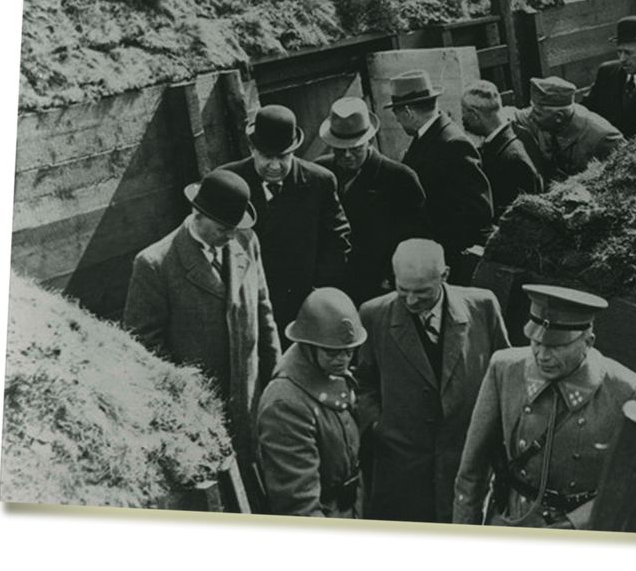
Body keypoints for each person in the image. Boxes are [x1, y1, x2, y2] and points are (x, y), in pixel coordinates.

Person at [453, 285, 636, 530]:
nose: (541, 355)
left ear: (588, 342)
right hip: (513, 522)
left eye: (555, 346)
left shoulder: (627, 390)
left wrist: (575, 524)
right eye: (535, 342)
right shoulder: (504, 368)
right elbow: (472, 471)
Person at [123, 169, 281, 494]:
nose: (230, 236)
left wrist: (276, 383)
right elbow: (144, 351)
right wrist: (188, 409)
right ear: (198, 215)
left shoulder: (246, 242)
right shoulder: (155, 265)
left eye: (235, 228)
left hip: (251, 406)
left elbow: (264, 315)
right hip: (200, 419)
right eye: (224, 228)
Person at [356, 238, 510, 523]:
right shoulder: (373, 314)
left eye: (423, 293)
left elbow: (505, 378)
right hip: (399, 468)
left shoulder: (484, 307)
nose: (412, 301)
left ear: (445, 276)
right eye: (403, 291)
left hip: (463, 464)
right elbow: (361, 382)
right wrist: (379, 425)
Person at [219, 104, 352, 362]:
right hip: (249, 305)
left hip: (303, 303)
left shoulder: (319, 182)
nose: (275, 165)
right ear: (252, 149)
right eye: (267, 156)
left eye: (283, 156)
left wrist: (318, 294)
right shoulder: (228, 182)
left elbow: (338, 242)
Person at [256, 287, 367, 518]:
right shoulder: (286, 404)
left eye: (349, 351)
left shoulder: (332, 373)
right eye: (332, 352)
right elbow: (298, 504)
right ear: (308, 346)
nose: (343, 360)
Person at [313, 97, 426, 306]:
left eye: (355, 148)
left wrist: (392, 279)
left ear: (370, 141)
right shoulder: (320, 173)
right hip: (333, 290)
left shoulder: (399, 179)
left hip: (380, 290)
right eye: (339, 148)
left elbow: (413, 239)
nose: (347, 155)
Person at [386, 70, 493, 285]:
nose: (398, 121)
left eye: (397, 116)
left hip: (449, 264)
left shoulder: (453, 144)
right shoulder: (426, 138)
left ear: (408, 111)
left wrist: (435, 246)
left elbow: (479, 211)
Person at [505, 77, 624, 181]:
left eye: (537, 113)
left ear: (558, 117)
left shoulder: (604, 137)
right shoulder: (541, 117)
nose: (531, 116)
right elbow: (514, 114)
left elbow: (626, 171)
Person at [460, 80, 542, 221]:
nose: (462, 118)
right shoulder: (522, 134)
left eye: (464, 112)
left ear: (475, 115)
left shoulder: (510, 160)